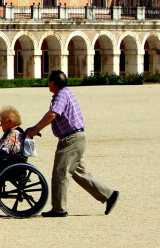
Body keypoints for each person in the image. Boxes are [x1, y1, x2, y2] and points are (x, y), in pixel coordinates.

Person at [26, 70, 119, 217]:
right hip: (78, 137)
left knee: (60, 173)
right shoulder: (67, 92)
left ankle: (58, 209)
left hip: (71, 140)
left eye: (49, 82)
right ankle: (109, 195)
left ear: (52, 83)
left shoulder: (61, 95)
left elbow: (52, 114)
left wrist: (35, 129)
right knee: (79, 173)